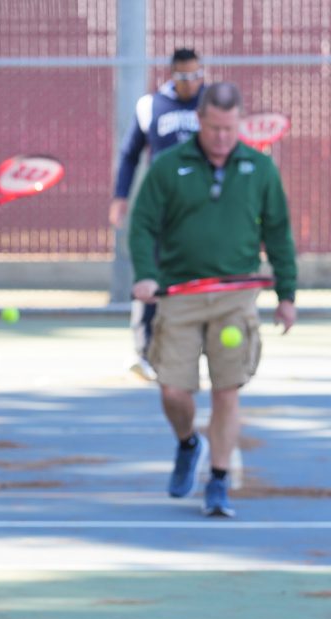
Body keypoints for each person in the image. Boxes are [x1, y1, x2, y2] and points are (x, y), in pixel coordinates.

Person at [128, 81, 296, 518]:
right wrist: (146, 275)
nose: (223, 137)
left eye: (230, 128)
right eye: (215, 127)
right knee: (173, 392)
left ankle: (218, 482)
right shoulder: (168, 166)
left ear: (240, 123)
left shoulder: (260, 168)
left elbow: (277, 232)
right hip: (179, 296)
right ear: (199, 121)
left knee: (227, 393)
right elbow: (142, 224)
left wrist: (286, 295)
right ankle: (188, 443)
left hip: (235, 299)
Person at [111, 48, 206, 380]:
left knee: (199, 275)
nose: (191, 83)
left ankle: (199, 348)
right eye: (184, 77)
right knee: (149, 275)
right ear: (171, 75)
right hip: (160, 208)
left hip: (201, 208)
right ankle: (145, 352)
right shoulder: (151, 105)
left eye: (197, 75)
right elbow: (129, 155)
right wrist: (120, 197)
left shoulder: (213, 105)